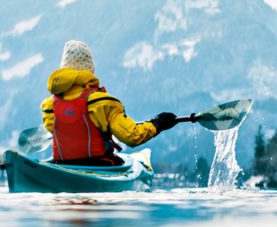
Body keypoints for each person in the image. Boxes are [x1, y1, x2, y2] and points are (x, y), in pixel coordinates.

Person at [40, 40, 178, 165]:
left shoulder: (49, 106)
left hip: (62, 166)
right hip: (100, 165)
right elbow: (132, 137)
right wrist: (158, 123)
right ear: (89, 69)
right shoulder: (103, 102)